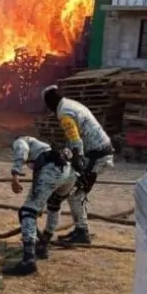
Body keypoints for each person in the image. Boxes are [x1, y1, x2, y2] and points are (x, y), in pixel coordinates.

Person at [41, 84, 115, 245]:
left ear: (50, 104)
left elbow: (76, 142)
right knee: (77, 192)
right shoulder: (71, 105)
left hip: (97, 155)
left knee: (76, 193)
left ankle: (82, 232)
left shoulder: (64, 113)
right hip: (98, 151)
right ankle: (80, 229)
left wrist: (76, 164)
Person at [2, 135, 77, 277]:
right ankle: (43, 244)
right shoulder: (42, 146)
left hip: (53, 169)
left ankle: (29, 259)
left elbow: (21, 148)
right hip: (69, 171)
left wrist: (15, 174)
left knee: (27, 212)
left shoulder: (21, 140)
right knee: (54, 205)